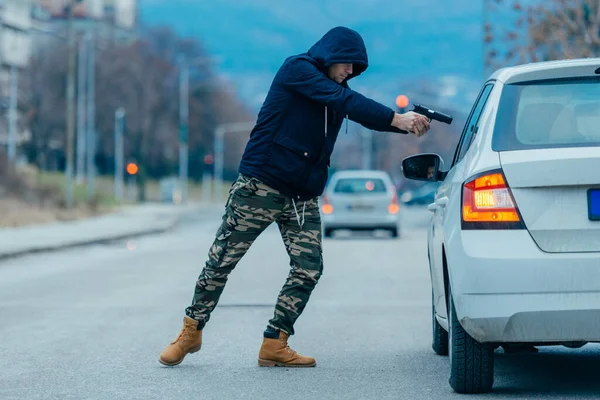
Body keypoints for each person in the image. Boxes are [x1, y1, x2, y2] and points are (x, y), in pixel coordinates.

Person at [159, 26, 431, 368]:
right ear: (330, 54)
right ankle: (191, 331)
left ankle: (275, 341)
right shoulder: (298, 70)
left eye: (356, 68)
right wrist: (396, 117)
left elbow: (356, 110)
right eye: (347, 64)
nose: (350, 72)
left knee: (308, 268)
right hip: (261, 185)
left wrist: (403, 123)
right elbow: (345, 101)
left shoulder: (338, 90)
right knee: (222, 261)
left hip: (301, 197)